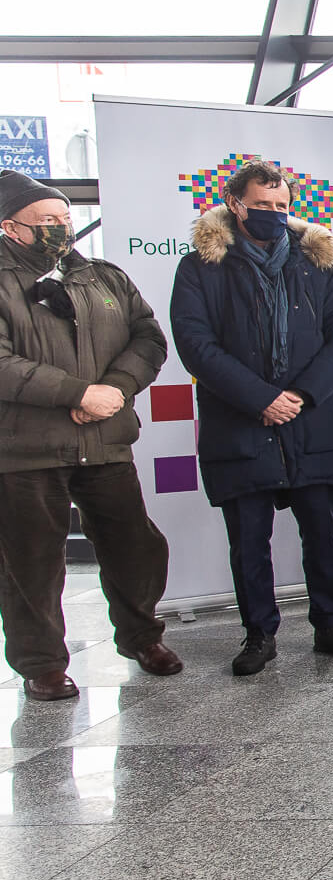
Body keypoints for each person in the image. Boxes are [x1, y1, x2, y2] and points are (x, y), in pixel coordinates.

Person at [171, 158, 333, 676]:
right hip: (240, 425)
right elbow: (195, 344)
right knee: (249, 541)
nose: (274, 214)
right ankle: (259, 633)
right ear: (234, 204)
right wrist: (261, 398)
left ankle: (332, 625)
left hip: (310, 421)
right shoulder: (200, 266)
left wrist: (301, 394)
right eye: (262, 205)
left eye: (282, 205)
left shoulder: (316, 262)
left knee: (322, 534)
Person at [0, 172, 180, 700]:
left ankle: (143, 637)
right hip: (25, 449)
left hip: (104, 438)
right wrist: (77, 393)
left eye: (64, 217)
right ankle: (42, 664)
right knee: (31, 561)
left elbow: (148, 338)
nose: (61, 227)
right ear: (11, 228)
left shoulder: (102, 276)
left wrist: (115, 389)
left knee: (135, 546)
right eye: (46, 220)